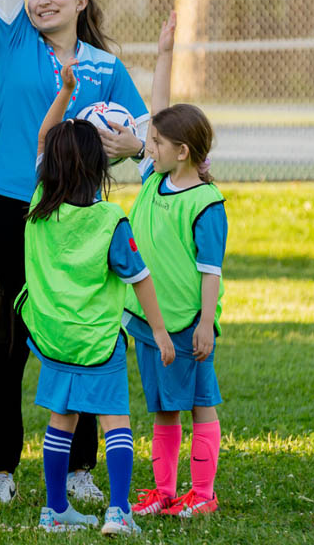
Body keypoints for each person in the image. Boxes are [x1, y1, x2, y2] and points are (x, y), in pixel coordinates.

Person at [0, 0, 151, 506]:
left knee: (84, 331)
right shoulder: (14, 38)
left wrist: (133, 146)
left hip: (79, 216)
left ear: (81, 2)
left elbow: (144, 133)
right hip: (9, 207)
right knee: (4, 338)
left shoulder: (106, 66)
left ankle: (79, 467)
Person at [14, 59, 175, 534]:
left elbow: (45, 139)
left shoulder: (39, 205)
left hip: (52, 336)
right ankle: (119, 512)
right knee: (115, 423)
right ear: (102, 165)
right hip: (98, 340)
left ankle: (54, 510)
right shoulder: (110, 221)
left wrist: (64, 95)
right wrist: (161, 332)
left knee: (60, 421)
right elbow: (140, 277)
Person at [106, 26, 226, 517]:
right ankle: (165, 491)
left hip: (184, 325)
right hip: (149, 321)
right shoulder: (155, 178)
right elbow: (156, 113)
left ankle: (203, 494)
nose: (146, 146)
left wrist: (203, 323)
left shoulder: (205, 203)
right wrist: (164, 53)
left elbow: (211, 271)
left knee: (199, 404)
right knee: (161, 407)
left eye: (156, 143)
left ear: (183, 152)